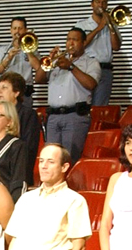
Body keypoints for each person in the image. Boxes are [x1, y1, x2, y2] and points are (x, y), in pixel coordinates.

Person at [33, 27, 100, 159]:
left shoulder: (91, 63)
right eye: (68, 39)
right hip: (53, 117)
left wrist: (71, 67)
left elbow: (91, 84)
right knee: (51, 157)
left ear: (83, 43)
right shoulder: (58, 62)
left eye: (75, 40)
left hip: (74, 116)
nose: (70, 43)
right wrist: (49, 60)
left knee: (69, 157)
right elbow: (39, 79)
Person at [76, 0, 121, 106]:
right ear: (92, 4)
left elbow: (116, 47)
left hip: (104, 70)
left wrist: (110, 26)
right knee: (83, 104)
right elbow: (80, 44)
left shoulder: (111, 24)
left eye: (104, 2)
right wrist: (99, 27)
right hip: (86, 68)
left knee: (100, 107)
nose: (101, 5)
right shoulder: (82, 25)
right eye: (98, 2)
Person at [0, 72, 41, 168]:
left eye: (4, 88)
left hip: (17, 168)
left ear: (16, 93)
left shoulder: (28, 115)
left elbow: (29, 148)